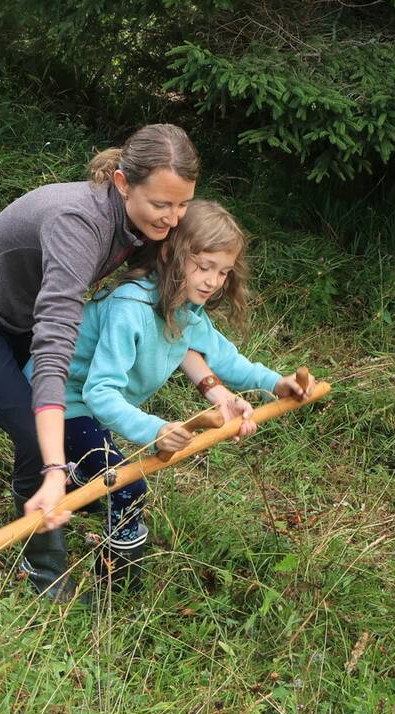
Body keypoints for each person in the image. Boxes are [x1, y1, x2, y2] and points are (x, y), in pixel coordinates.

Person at [0, 125, 253, 602]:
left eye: (183, 204)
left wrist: (214, 388)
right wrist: (57, 466)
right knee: (37, 437)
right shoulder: (77, 223)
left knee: (40, 434)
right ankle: (45, 574)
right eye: (162, 205)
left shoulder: (148, 224)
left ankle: (45, 498)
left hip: (26, 314)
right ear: (123, 184)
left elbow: (174, 317)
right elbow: (56, 341)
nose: (174, 218)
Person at [59, 200, 316, 593]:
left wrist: (275, 383)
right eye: (204, 266)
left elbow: (225, 357)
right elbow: (99, 391)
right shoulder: (130, 307)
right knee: (127, 486)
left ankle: (72, 478)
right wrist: (156, 430)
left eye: (223, 271)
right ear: (171, 254)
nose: (213, 281)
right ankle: (116, 591)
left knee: (100, 469)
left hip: (95, 408)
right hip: (65, 403)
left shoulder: (186, 308)